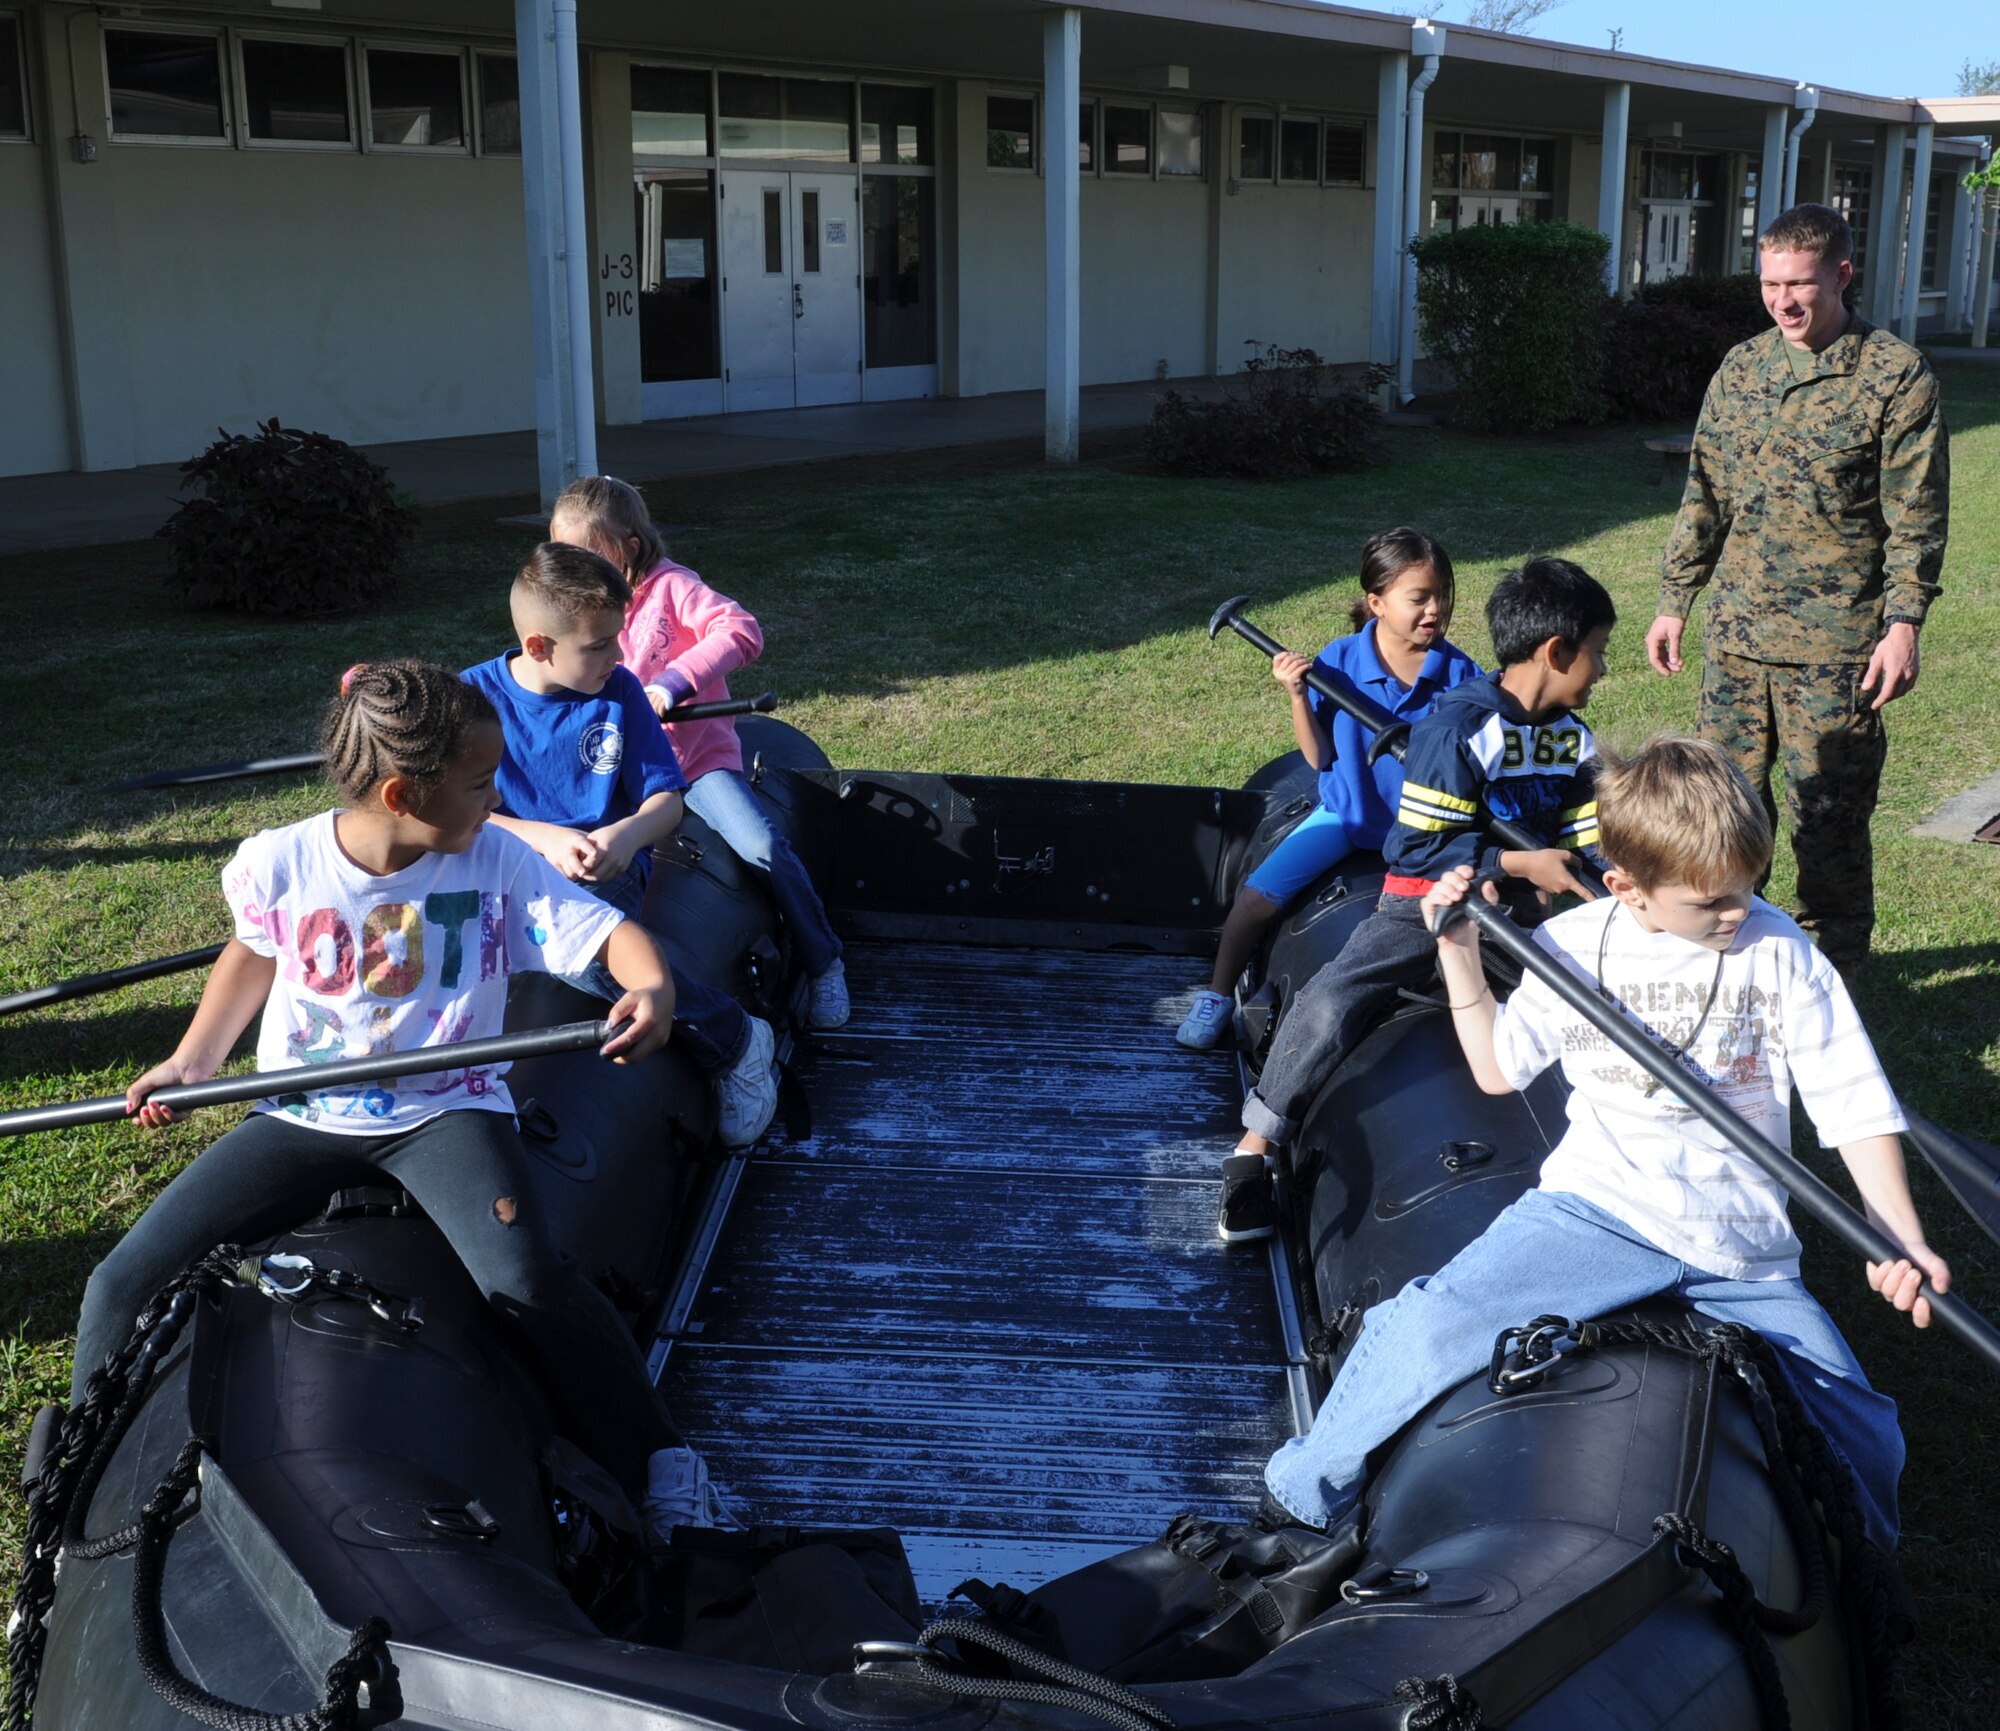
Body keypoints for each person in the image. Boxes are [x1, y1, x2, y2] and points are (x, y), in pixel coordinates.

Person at [1262, 736, 1945, 1557]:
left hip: (1742, 1249)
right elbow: (1497, 1068)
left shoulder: (1781, 953)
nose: (1739, 911)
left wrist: (1897, 1234)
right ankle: (1300, 1495)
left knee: (1868, 1432)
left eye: (1747, 887)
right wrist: (1457, 952)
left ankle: (1866, 1594)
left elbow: (1852, 1105)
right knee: (1431, 1323)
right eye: (1711, 902)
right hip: (1599, 1210)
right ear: (1627, 887)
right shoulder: (1575, 948)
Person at [71, 659, 706, 1530]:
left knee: (525, 1277)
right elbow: (255, 950)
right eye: (483, 783)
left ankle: (661, 1459)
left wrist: (655, 989)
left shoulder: (496, 861)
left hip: (448, 1108)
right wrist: (195, 1060)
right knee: (119, 1280)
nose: (498, 799)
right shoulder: (280, 861)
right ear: (405, 794)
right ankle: (73, 1480)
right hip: (303, 1113)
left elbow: (613, 934)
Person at [1220, 558, 1612, 1244]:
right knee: (1336, 994)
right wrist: (1519, 860)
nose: (1603, 670)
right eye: (1598, 653)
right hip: (1422, 902)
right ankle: (1252, 1151)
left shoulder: (1571, 738)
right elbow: (1417, 851)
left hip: (1518, 915)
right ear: (1556, 651)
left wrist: (1604, 875)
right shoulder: (1456, 726)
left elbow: (1586, 837)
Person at [1646, 202, 1950, 977]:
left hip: (1837, 652)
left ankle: (1831, 991)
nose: (1784, 301)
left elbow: (1915, 515)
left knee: (1829, 831)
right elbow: (1704, 492)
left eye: (1801, 284)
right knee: (1719, 823)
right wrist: (1675, 597)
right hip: (1739, 644)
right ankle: (1725, 971)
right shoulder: (1742, 369)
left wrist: (1904, 623)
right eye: (1770, 283)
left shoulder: (1893, 375)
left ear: (1842, 274)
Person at [463, 543, 779, 1148]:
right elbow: (452, 819)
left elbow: (667, 802)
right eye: (600, 644)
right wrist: (542, 836)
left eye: (618, 637)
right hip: (500, 872)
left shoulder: (620, 693)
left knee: (582, 958)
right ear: (538, 646)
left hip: (601, 874)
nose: (620, 654)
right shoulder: (473, 701)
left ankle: (735, 1040)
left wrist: (621, 835)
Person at [547, 475, 850, 1031]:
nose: (572, 566)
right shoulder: (578, 609)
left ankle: (824, 960)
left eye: (583, 553)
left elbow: (740, 629)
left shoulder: (672, 587)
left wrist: (673, 681)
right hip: (625, 773)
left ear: (627, 548)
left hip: (693, 765)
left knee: (761, 845)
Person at [1176, 527, 1480, 1051]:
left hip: (1424, 830)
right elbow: (1318, 758)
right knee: (1255, 901)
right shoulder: (1338, 663)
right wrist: (1297, 695)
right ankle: (1217, 994)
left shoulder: (1460, 674)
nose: (1435, 609)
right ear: (1376, 602)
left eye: (1442, 596)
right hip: (1348, 814)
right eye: (1419, 598)